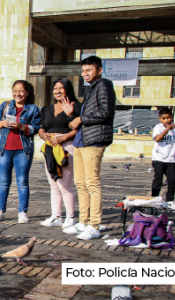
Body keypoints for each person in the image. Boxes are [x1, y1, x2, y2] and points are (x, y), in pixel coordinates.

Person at [62, 56, 115, 241]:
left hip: (95, 140)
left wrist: (81, 118)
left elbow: (105, 112)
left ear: (99, 70)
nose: (85, 74)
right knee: (81, 183)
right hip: (82, 141)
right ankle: (83, 221)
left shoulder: (104, 85)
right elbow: (89, 114)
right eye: (83, 71)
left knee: (92, 182)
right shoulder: (92, 89)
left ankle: (95, 225)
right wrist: (74, 114)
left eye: (89, 70)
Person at [0, 80, 41, 224]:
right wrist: (1, 123)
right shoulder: (5, 106)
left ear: (27, 92)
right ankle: (0, 211)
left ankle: (22, 212)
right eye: (15, 90)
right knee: (4, 182)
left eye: (21, 91)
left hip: (23, 151)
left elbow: (36, 128)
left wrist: (22, 126)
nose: (17, 94)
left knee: (22, 182)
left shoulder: (32, 109)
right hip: (4, 150)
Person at [38, 78, 82, 229]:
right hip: (50, 147)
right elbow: (42, 127)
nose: (57, 91)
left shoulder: (75, 106)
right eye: (55, 88)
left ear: (67, 89)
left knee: (65, 185)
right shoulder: (47, 108)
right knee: (53, 184)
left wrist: (63, 138)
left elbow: (78, 129)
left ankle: (70, 218)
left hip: (66, 147)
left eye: (61, 88)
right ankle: (56, 216)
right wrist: (43, 135)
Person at [151, 108, 175, 211]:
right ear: (160, 119)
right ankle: (154, 200)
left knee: (172, 179)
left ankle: (170, 201)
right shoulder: (158, 127)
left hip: (171, 159)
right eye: (164, 118)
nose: (167, 120)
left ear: (172, 117)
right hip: (158, 158)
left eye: (169, 117)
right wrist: (167, 129)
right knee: (158, 179)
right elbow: (158, 138)